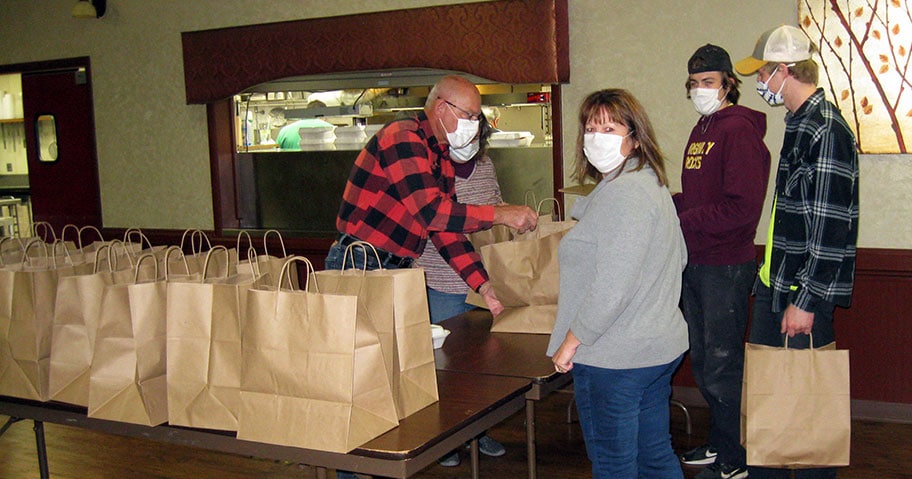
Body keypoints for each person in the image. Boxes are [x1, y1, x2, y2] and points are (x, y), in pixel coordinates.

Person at [326, 75, 537, 479]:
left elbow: (444, 232)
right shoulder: (403, 137)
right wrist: (500, 212)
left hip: (394, 269)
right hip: (361, 266)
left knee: (389, 384)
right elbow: (431, 213)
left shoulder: (437, 155)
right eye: (470, 115)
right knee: (358, 383)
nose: (475, 124)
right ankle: (350, 473)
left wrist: (484, 285)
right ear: (442, 108)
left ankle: (379, 468)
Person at [734, 25, 860, 479]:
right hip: (779, 285)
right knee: (771, 404)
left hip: (801, 294)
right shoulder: (801, 122)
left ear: (784, 70)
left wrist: (805, 301)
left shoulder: (825, 129)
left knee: (805, 411)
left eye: (763, 74)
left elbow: (830, 226)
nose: (759, 84)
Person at [548, 89, 688, 479]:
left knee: (615, 465)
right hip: (655, 348)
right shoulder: (649, 183)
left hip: (615, 356)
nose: (597, 137)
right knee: (655, 456)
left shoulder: (624, 194)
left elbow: (612, 286)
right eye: (591, 128)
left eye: (609, 128)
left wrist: (572, 341)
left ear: (635, 136)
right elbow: (680, 258)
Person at [674, 44, 771, 479]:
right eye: (694, 84)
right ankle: (721, 443)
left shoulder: (738, 130)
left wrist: (684, 218)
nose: (700, 90)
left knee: (723, 363)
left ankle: (737, 458)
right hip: (696, 261)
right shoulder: (703, 128)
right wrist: (665, 203)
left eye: (708, 82)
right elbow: (699, 198)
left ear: (729, 83)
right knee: (705, 360)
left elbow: (741, 209)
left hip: (726, 266)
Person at [416, 113, 507, 466]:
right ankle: (447, 440)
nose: (467, 145)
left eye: (475, 138)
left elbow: (496, 207)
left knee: (481, 365)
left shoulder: (484, 164)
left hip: (483, 282)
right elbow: (442, 224)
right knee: (445, 368)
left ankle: (478, 431)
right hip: (439, 280)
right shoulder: (431, 169)